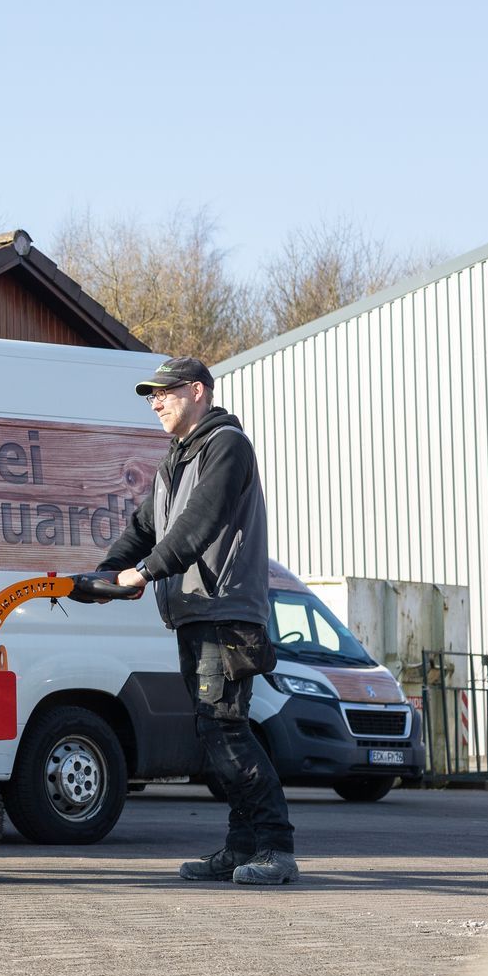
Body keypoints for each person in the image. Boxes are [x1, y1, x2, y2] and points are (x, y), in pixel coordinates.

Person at [99, 355, 298, 885]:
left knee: (226, 732)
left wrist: (143, 573)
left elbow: (200, 521)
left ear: (197, 391)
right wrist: (103, 573)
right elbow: (146, 526)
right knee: (215, 735)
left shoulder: (226, 446)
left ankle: (276, 848)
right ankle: (240, 848)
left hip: (226, 613)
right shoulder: (175, 460)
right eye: (150, 396)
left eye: (164, 393)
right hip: (195, 613)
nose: (156, 402)